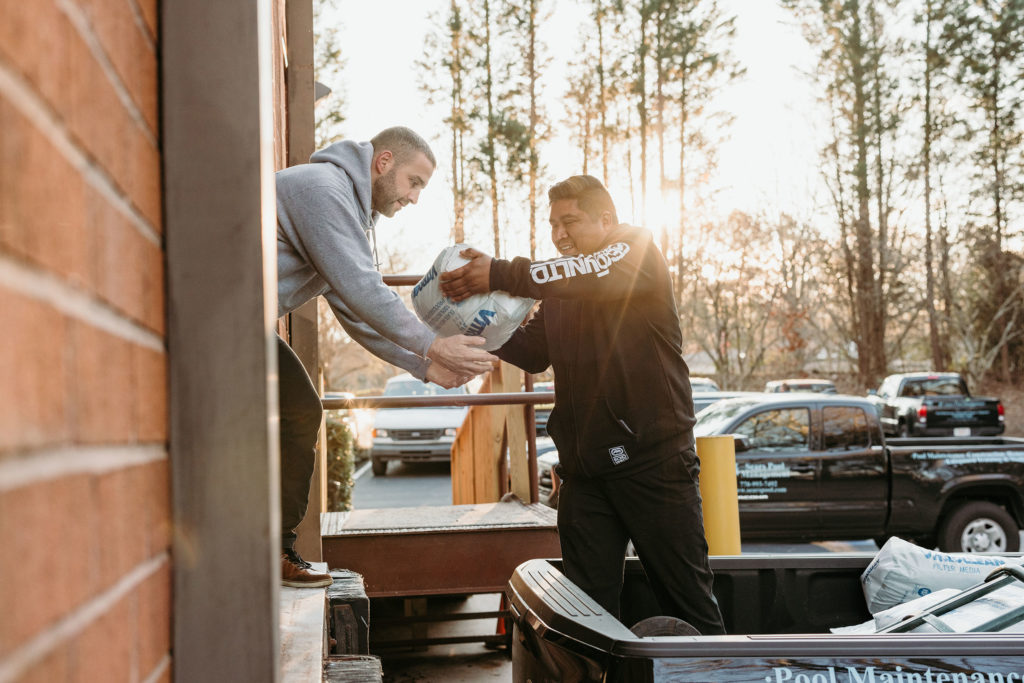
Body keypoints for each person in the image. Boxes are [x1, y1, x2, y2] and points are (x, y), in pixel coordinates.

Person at [439, 175, 725, 634]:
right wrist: (469, 325)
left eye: (570, 221)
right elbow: (532, 351)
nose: (559, 234)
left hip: (653, 464)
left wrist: (500, 273)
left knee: (687, 603)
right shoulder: (565, 291)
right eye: (553, 224)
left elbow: (593, 275)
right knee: (586, 616)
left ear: (606, 219)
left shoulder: (636, 250)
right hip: (586, 474)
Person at [274, 127, 497, 587]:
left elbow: (353, 311)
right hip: (217, 315)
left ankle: (271, 547)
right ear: (384, 161)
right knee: (293, 413)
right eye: (414, 182)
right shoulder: (323, 190)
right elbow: (363, 291)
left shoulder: (350, 211)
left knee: (297, 413)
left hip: (239, 319)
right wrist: (432, 345)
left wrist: (424, 366)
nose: (414, 198)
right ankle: (265, 548)